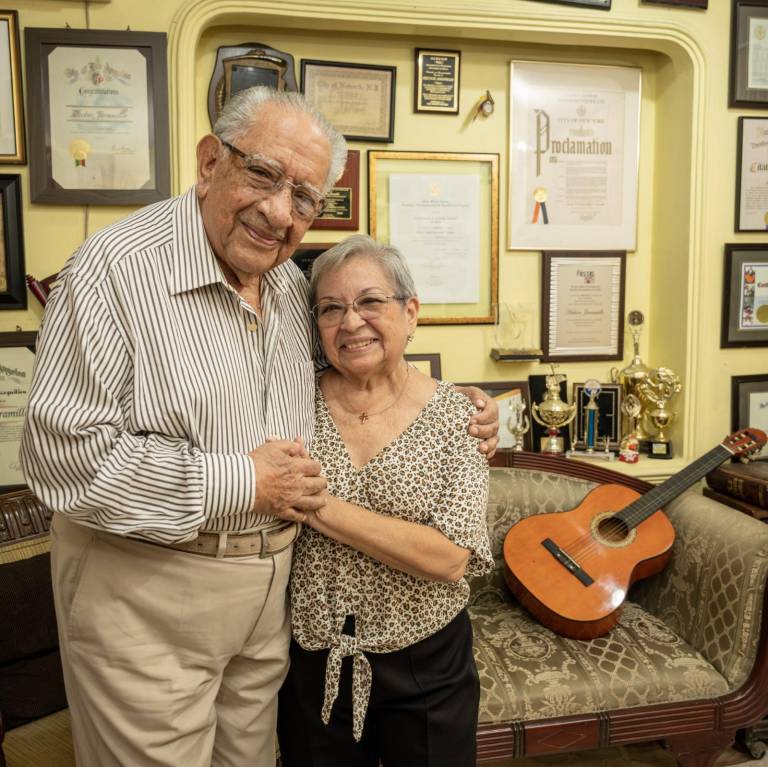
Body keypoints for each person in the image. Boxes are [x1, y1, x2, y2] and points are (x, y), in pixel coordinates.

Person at [19, 88, 499, 767]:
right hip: (150, 588)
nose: (279, 211)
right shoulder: (114, 269)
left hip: (268, 608)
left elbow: (362, 352)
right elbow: (62, 459)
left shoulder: (286, 287)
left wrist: (474, 407)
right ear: (210, 161)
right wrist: (245, 479)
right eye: (264, 174)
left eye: (304, 196)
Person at [277, 235, 493, 767]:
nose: (351, 322)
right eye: (331, 308)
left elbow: (449, 558)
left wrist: (317, 504)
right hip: (312, 658)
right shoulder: (287, 400)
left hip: (427, 664)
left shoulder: (455, 417)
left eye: (370, 301)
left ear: (410, 311)